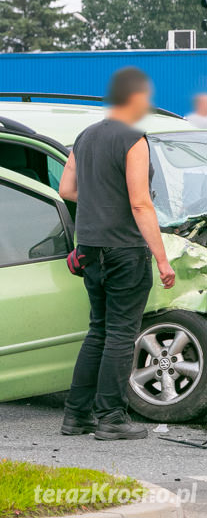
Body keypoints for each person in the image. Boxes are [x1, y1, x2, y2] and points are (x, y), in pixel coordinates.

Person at [58, 67, 175, 441]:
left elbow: (66, 189)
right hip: (126, 250)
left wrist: (100, 200)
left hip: (89, 249)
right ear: (136, 99)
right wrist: (161, 258)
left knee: (99, 331)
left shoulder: (86, 136)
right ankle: (111, 418)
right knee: (121, 335)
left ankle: (76, 417)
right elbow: (141, 203)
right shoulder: (133, 140)